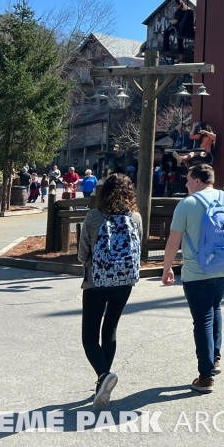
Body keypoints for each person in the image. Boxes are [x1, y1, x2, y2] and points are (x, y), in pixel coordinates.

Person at [161, 164, 224, 393]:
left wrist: (167, 268)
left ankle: (206, 375)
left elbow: (173, 241)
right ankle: (215, 358)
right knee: (215, 308)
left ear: (197, 181)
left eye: (188, 179)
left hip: (197, 272)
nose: (186, 183)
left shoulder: (188, 204)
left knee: (202, 320)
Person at [77, 174, 143, 409]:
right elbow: (139, 247)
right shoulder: (134, 217)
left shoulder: (94, 216)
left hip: (97, 282)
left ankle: (104, 375)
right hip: (125, 282)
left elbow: (83, 253)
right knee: (110, 329)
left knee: (89, 336)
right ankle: (101, 382)